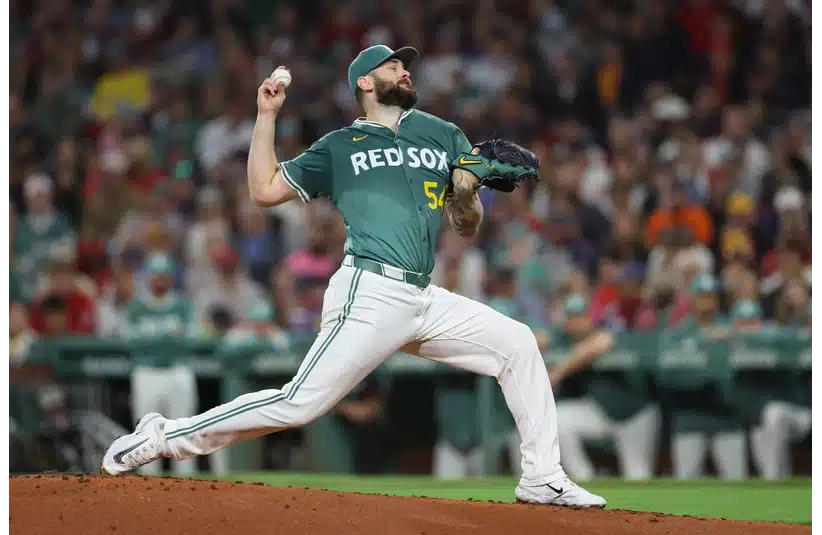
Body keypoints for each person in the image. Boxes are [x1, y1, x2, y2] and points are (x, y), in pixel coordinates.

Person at [102, 45, 605, 508]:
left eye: (405, 66)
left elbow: (465, 224)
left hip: (423, 295)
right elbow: (264, 190)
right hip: (370, 291)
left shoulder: (443, 134)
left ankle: (542, 476)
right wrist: (266, 116)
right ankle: (163, 436)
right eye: (393, 66)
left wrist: (469, 190)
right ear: (365, 82)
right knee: (299, 403)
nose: (404, 71)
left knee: (518, 344)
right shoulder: (340, 145)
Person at [123, 254, 200, 475]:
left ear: (171, 277)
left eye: (164, 275)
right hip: (146, 372)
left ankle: (187, 483)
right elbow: (130, 341)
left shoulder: (182, 305)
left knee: (183, 432)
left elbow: (191, 339)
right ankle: (148, 486)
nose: (160, 280)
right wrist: (168, 338)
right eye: (156, 275)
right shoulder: (137, 307)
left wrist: (153, 339)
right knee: (146, 434)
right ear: (148, 277)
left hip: (177, 370)